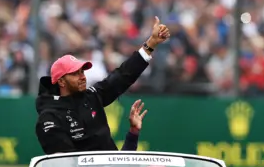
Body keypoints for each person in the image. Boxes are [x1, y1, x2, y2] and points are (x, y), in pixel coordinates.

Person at [34, 16, 170, 154]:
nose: (82, 77)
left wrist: (151, 43)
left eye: (82, 72)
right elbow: (65, 166)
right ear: (61, 81)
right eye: (75, 74)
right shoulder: (50, 118)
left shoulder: (91, 97)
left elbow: (123, 75)